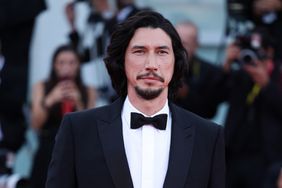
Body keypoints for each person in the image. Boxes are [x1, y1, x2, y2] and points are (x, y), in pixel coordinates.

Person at [46, 10, 225, 188]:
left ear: (175, 62)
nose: (151, 65)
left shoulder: (208, 137)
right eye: (140, 51)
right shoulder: (78, 130)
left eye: (162, 52)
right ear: (122, 60)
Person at [214, 27, 282, 188]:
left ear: (269, 52)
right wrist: (227, 65)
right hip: (234, 155)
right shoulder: (240, 74)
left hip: (267, 159)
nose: (252, 56)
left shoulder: (278, 75)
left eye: (257, 51)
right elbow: (212, 100)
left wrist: (266, 84)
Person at [30, 44, 96, 188]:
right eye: (61, 63)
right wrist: (51, 99)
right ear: (54, 65)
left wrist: (78, 103)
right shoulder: (41, 86)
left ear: (78, 65)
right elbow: (35, 124)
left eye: (72, 62)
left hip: (78, 151)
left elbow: (91, 130)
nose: (67, 67)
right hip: (48, 149)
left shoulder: (89, 90)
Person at [174, 21, 222, 119]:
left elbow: (210, 112)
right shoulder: (160, 67)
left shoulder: (210, 72)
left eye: (185, 44)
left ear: (196, 44)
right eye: (176, 43)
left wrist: (186, 94)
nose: (180, 48)